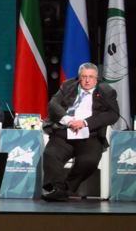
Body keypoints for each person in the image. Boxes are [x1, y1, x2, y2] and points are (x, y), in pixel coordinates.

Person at [42, 62, 119, 201]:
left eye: (91, 77)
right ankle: (57, 188)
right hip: (64, 132)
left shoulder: (106, 91)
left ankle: (65, 189)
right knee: (51, 155)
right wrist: (68, 120)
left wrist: (85, 122)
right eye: (84, 76)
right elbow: (53, 105)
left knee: (89, 161)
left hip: (90, 135)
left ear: (97, 78)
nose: (87, 80)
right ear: (79, 77)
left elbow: (113, 114)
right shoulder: (68, 86)